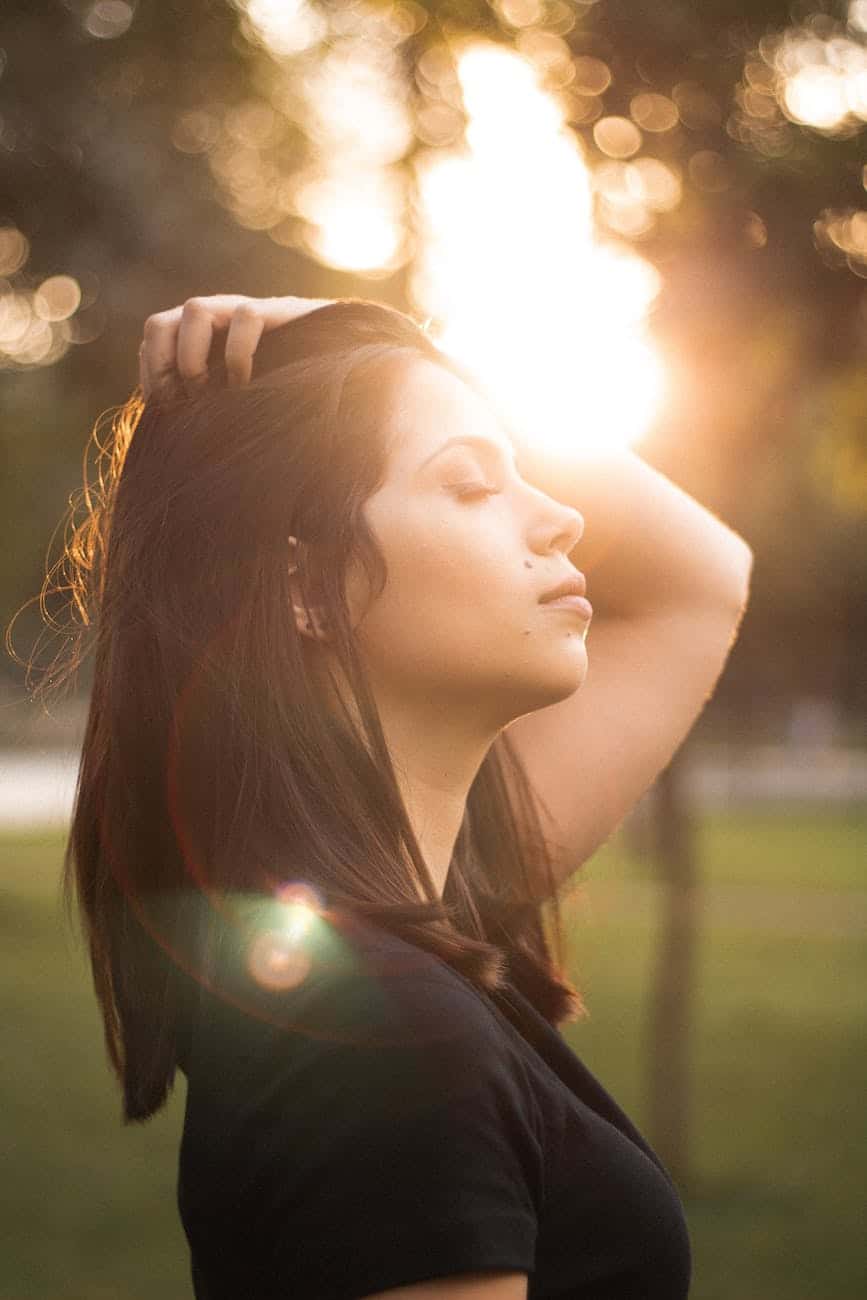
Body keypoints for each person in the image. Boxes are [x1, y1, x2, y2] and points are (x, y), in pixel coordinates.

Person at [42, 292, 753, 1298]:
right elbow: (702, 582)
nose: (564, 517)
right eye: (471, 485)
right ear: (304, 586)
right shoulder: (380, 1032)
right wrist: (381, 351)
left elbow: (705, 577)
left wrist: (370, 337)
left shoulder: (417, 920)